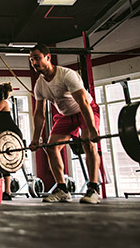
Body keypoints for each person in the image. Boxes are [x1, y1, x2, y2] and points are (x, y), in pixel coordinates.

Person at [29, 43, 101, 204]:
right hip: (65, 116)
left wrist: (92, 129)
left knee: (88, 142)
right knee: (51, 147)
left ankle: (93, 188)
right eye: (31, 59)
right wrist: (35, 139)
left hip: (85, 110)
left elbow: (83, 103)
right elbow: (39, 114)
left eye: (37, 58)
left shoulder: (67, 75)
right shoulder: (39, 85)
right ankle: (63, 189)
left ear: (48, 57)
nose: (34, 63)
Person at [0, 82, 23, 201]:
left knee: (5, 163)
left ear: (0, 93)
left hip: (11, 134)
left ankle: (7, 191)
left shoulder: (3, 103)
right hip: (2, 135)